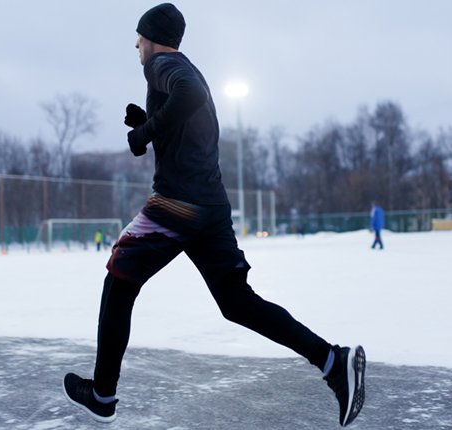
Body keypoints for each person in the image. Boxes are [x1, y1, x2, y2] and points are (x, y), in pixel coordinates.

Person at [62, 4, 365, 427]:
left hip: (175, 205)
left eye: (139, 37)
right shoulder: (188, 67)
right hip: (211, 207)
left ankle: (102, 393)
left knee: (119, 279)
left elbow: (189, 96)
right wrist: (150, 120)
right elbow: (191, 119)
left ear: (152, 37)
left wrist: (145, 134)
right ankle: (334, 362)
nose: (135, 45)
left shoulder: (162, 64)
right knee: (237, 303)